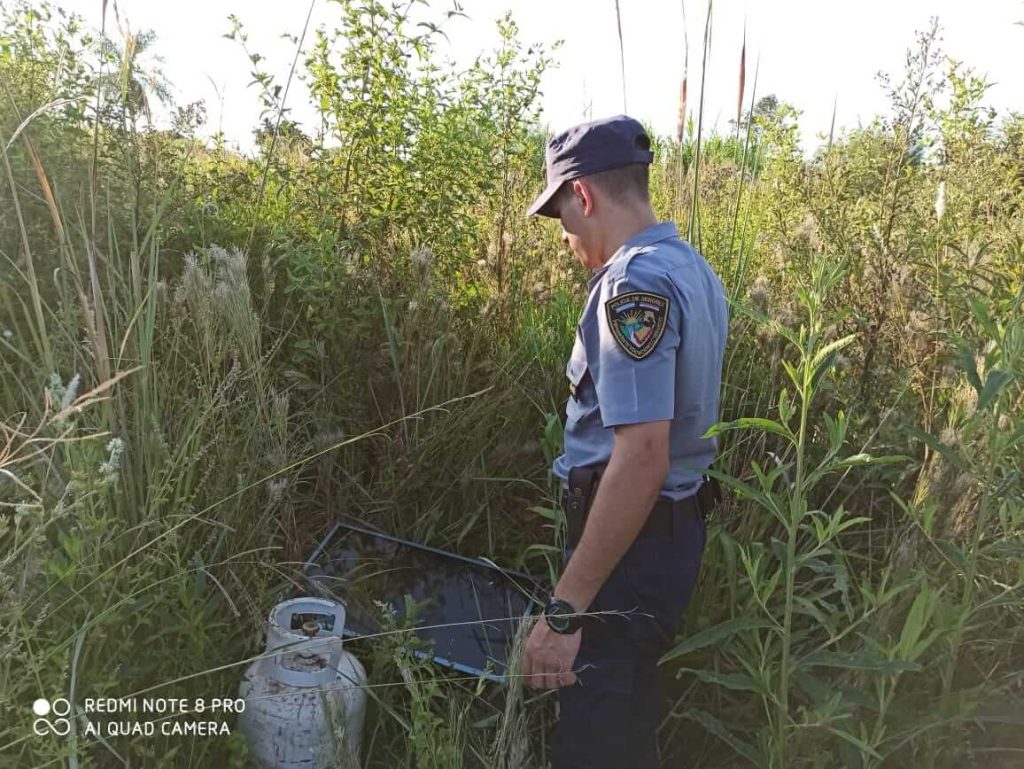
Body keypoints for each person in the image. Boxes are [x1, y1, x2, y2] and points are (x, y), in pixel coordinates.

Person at [520, 114, 729, 769]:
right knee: (628, 718)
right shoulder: (692, 269)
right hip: (666, 535)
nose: (566, 238)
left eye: (562, 219)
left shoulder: (631, 284)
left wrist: (565, 610)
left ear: (583, 195)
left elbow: (640, 458)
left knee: (595, 731)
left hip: (626, 547)